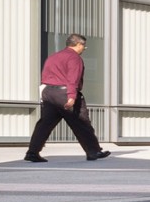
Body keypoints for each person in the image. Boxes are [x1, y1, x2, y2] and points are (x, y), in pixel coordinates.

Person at [24, 33, 110, 162]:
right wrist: (71, 97)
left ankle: (32, 152)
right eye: (84, 46)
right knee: (82, 123)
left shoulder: (53, 57)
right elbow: (72, 79)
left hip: (48, 93)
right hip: (64, 93)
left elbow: (45, 76)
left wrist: (45, 93)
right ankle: (93, 151)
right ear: (79, 44)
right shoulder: (74, 58)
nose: (84, 49)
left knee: (45, 124)